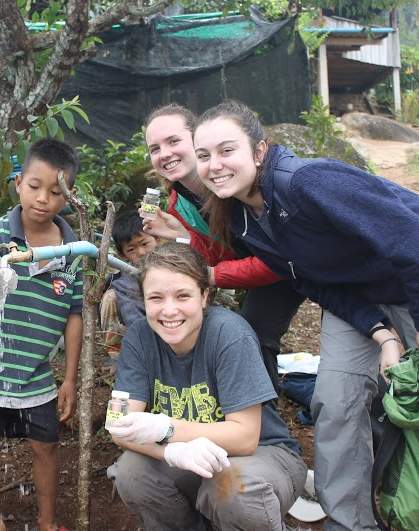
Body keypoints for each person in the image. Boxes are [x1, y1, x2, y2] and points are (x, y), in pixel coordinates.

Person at [193, 98, 419, 531]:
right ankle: (349, 523)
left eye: (226, 150)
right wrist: (382, 333)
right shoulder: (243, 218)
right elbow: (313, 283)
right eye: (204, 155)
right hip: (355, 292)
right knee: (336, 400)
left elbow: (413, 237)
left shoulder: (308, 182)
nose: (215, 165)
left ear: (259, 150)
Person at [107, 242, 306, 531]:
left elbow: (245, 437)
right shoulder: (139, 337)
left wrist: (167, 430)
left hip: (261, 456)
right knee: (130, 472)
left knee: (228, 486)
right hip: (189, 458)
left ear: (204, 295)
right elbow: (119, 425)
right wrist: (170, 452)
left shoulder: (229, 334)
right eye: (156, 298)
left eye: (183, 295)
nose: (169, 310)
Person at [0, 138, 83, 531]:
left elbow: (74, 314)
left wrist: (69, 379)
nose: (43, 198)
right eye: (35, 186)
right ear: (19, 183)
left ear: (69, 197)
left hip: (35, 371)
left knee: (46, 444)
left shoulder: (73, 251)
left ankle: (46, 522)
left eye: (56, 192)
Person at [141, 103, 305, 392]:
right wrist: (185, 238)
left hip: (295, 262)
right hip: (268, 271)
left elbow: (274, 258)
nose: (164, 153)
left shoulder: (234, 182)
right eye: (155, 148)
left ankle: (263, 424)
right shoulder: (178, 202)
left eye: (173, 141)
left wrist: (214, 275)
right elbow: (228, 254)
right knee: (249, 330)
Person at [99, 210, 158, 362]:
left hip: (168, 327)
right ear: (122, 255)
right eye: (131, 249)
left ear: (158, 239)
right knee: (110, 298)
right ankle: (119, 357)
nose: (141, 252)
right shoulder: (125, 281)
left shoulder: (171, 263)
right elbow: (132, 317)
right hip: (136, 332)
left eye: (145, 244)